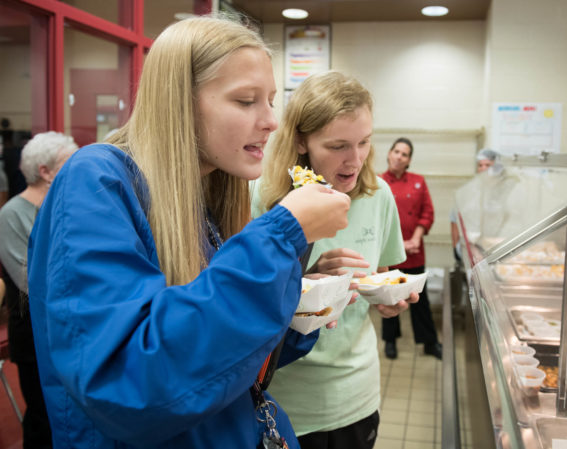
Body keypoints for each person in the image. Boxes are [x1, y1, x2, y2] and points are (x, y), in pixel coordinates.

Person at [26, 16, 351, 449]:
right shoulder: (97, 180)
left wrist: (296, 304)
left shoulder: (204, 193)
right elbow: (132, 383)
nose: (272, 121)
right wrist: (281, 234)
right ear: (179, 102)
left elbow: (215, 360)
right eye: (246, 101)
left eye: (271, 100)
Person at [253, 71, 418, 449]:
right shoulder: (261, 196)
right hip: (283, 396)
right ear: (300, 141)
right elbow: (233, 297)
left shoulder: (379, 196)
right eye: (338, 146)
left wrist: (390, 300)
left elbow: (381, 276)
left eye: (364, 142)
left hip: (354, 395)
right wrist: (306, 277)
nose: (355, 160)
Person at [0, 131, 78, 449]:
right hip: (34, 333)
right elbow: (31, 283)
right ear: (44, 171)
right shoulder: (10, 215)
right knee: (44, 418)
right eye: (67, 164)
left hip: (65, 327)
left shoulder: (64, 207)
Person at [380, 137, 442, 360]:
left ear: (409, 161)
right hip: (389, 253)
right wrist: (397, 244)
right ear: (389, 154)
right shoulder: (378, 182)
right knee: (390, 297)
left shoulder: (418, 181)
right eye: (396, 151)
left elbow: (427, 213)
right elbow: (377, 219)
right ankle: (390, 341)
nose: (399, 156)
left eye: (404, 154)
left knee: (419, 299)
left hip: (414, 252)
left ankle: (429, 342)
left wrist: (415, 238)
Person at [450, 148, 500, 260]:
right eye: (480, 165)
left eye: (488, 165)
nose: (483, 169)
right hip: (472, 248)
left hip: (496, 248)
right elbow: (454, 219)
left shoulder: (502, 192)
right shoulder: (467, 191)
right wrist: (456, 247)